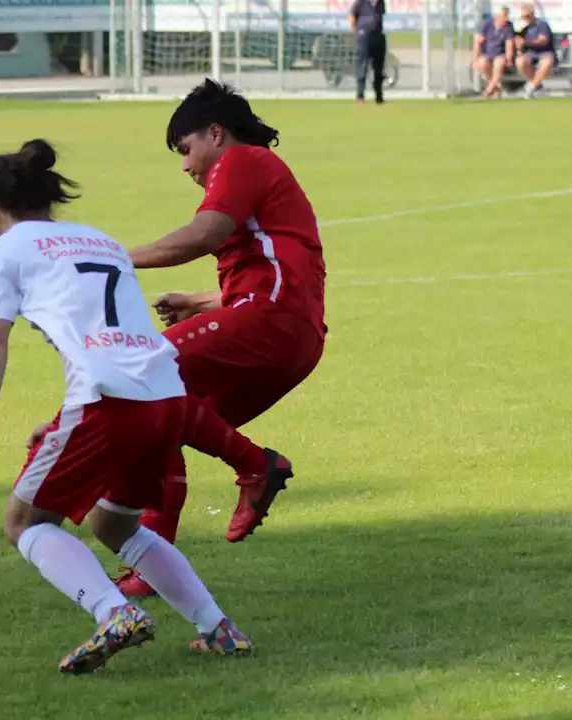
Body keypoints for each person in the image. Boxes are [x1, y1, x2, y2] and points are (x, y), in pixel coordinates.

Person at [0, 139, 255, 674]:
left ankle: (113, 611)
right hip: (165, 393)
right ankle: (219, 629)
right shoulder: (100, 240)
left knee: (25, 523)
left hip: (108, 401)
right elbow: (108, 337)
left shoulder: (3, 252)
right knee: (113, 525)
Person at [114, 80, 325, 599]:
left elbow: (203, 235)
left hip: (270, 322)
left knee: (139, 372)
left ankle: (256, 464)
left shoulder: (241, 160)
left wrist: (114, 256)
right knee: (156, 417)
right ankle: (153, 567)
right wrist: (200, 300)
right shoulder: (256, 174)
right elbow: (275, 272)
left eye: (186, 150)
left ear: (215, 133)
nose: (185, 166)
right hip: (286, 333)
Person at [348, 0, 387, 104]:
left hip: (378, 36)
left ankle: (379, 97)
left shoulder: (381, 3)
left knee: (379, 68)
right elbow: (352, 17)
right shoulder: (361, 2)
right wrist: (358, 32)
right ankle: (360, 96)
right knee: (362, 66)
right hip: (364, 37)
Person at [474, 7, 517, 98]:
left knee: (499, 63)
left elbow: (509, 44)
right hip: (487, 53)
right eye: (504, 16)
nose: (506, 19)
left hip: (500, 54)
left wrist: (509, 58)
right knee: (482, 62)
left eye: (507, 16)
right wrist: (475, 59)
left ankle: (488, 90)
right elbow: (478, 42)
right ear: (497, 16)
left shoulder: (508, 27)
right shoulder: (486, 24)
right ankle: (495, 87)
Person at [515, 3, 556, 98]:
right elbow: (519, 43)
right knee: (520, 61)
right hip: (530, 53)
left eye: (527, 16)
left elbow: (543, 40)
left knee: (547, 61)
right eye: (523, 17)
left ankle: (531, 87)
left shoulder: (542, 25)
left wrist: (526, 42)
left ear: (532, 14)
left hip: (544, 52)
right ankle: (537, 85)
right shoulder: (523, 28)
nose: (525, 18)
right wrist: (519, 45)